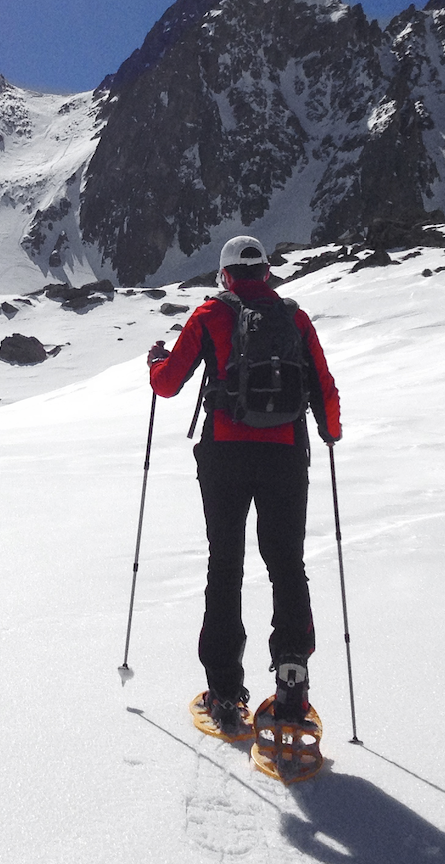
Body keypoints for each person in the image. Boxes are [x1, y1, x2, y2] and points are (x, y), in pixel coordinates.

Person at [146, 235, 342, 740]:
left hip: (225, 456)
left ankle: (224, 690)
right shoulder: (295, 318)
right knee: (286, 564)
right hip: (285, 455)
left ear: (226, 274)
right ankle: (292, 678)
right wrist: (331, 432)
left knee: (225, 566)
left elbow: (168, 384)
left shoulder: (211, 314)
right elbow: (323, 385)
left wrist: (154, 363)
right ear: (266, 273)